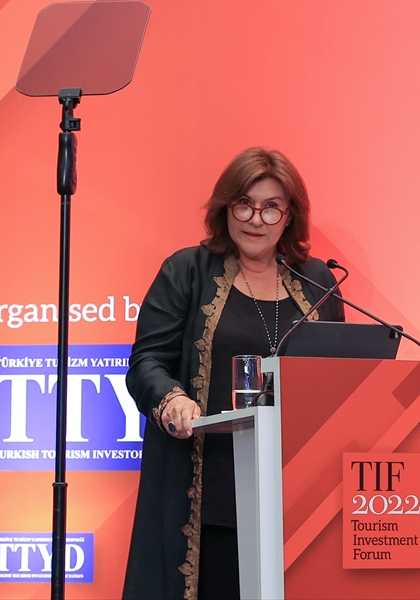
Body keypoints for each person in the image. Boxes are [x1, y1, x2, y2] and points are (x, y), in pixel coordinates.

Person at [122, 147, 344, 600]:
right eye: (244, 204)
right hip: (210, 495)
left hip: (298, 500)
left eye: (271, 207)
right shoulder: (186, 271)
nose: (256, 219)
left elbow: (340, 377)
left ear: (289, 216)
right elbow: (147, 361)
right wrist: (172, 399)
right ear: (225, 208)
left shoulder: (317, 281)